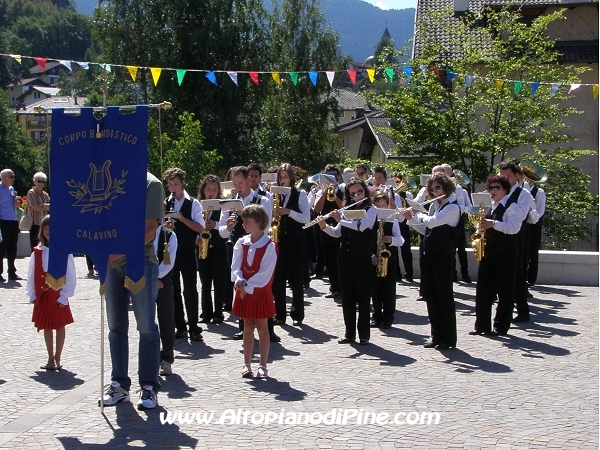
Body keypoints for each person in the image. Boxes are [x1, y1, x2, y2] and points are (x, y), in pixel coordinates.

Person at [100, 171, 164, 410]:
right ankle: (119, 384)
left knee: (146, 326)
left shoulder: (150, 183)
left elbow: (150, 229)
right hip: (110, 263)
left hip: (141, 262)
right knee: (116, 326)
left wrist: (117, 251)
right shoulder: (109, 178)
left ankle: (148, 386)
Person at [218, 166, 279, 342]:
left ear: (249, 181)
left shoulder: (262, 199)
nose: (238, 186)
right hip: (238, 246)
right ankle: (244, 326)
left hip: (259, 246)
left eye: (240, 182)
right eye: (234, 183)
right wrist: (228, 226)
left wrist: (246, 216)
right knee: (240, 283)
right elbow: (222, 231)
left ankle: (268, 327)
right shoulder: (230, 202)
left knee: (263, 285)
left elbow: (267, 226)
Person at [403, 173, 460, 350]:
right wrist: (409, 218)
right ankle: (436, 335)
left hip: (443, 256)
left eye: (438, 188)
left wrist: (418, 212)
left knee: (444, 296)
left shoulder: (452, 207)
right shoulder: (436, 205)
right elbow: (425, 229)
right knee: (431, 297)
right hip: (429, 255)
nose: (435, 191)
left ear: (446, 188)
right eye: (432, 188)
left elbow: (433, 223)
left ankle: (448, 338)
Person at [318, 178, 377, 345]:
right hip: (345, 257)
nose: (357, 196)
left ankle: (364, 335)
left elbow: (361, 226)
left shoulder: (371, 209)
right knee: (348, 296)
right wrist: (323, 226)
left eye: (360, 192)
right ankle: (349, 333)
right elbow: (337, 233)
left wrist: (339, 219)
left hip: (362, 257)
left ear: (365, 191)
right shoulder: (346, 209)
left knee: (363, 296)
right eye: (353, 194)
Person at [469, 175, 523, 336]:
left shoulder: (513, 207)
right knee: (483, 291)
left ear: (505, 190)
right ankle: (482, 326)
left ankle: (500, 326)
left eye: (496, 188)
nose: (492, 191)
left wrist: (493, 224)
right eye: (490, 188)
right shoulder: (489, 207)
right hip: (488, 252)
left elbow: (514, 228)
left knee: (505, 292)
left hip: (505, 254)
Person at [232, 205, 277, 378]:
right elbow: (236, 265)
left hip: (260, 291)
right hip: (244, 290)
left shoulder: (269, 246)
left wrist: (248, 287)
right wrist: (239, 281)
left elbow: (265, 273)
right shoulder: (241, 242)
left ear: (258, 222)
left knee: (263, 327)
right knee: (248, 326)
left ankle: (263, 364)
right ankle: (247, 363)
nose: (243, 224)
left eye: (247, 221)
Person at [25, 215, 76, 370]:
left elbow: (70, 273)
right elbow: (32, 273)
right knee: (46, 326)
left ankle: (58, 357)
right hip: (44, 296)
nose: (47, 232)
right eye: (45, 229)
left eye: (50, 229)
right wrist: (32, 293)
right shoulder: (37, 252)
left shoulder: (63, 250)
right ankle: (50, 358)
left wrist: (65, 296)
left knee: (60, 326)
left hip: (58, 295)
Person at [163, 168, 205, 342]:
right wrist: (167, 225)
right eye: (170, 185)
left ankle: (194, 326)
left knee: (190, 289)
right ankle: (180, 325)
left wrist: (181, 219)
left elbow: (200, 228)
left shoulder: (193, 203)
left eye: (176, 184)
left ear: (183, 183)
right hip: (171, 253)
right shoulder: (166, 202)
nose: (173, 188)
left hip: (187, 251)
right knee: (174, 290)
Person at [499, 161, 539, 323]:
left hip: (517, 236)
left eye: (507, 176)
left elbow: (532, 217)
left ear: (516, 176)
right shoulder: (500, 190)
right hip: (501, 235)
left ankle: (523, 310)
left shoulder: (524, 194)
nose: (504, 179)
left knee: (517, 273)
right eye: (502, 176)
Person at [272, 163, 310, 326]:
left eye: (285, 177)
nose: (282, 180)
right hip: (280, 241)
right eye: (280, 177)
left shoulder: (300, 194)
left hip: (296, 242)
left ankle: (297, 314)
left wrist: (288, 212)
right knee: (278, 280)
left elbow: (306, 218)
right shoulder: (276, 195)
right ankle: (280, 314)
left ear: (291, 178)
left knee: (296, 280)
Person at [197, 175, 228, 324]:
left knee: (219, 282)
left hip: (219, 247)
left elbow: (224, 228)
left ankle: (218, 313)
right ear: (203, 189)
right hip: (203, 247)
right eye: (209, 189)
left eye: (215, 190)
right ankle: (206, 313)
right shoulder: (197, 205)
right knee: (205, 282)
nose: (211, 192)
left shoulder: (222, 206)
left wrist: (214, 224)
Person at [370, 191, 404, 329]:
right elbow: (364, 241)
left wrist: (391, 240)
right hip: (375, 258)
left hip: (389, 257)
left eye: (383, 205)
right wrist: (371, 256)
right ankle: (376, 316)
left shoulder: (393, 220)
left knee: (389, 288)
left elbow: (401, 240)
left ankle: (388, 317)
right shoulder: (370, 220)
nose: (380, 207)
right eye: (378, 205)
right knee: (375, 289)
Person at [312, 164, 343, 298]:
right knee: (329, 258)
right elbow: (317, 209)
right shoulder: (321, 191)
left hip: (341, 227)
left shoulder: (343, 189)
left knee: (340, 259)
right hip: (325, 228)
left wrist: (335, 194)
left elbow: (344, 206)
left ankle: (343, 287)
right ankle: (334, 287)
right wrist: (325, 192)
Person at [154, 222, 178, 376]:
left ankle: (167, 358)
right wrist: (150, 278)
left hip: (164, 281)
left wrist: (155, 276)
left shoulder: (169, 235)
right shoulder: (139, 230)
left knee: (167, 319)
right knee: (147, 323)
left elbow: (168, 263)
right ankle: (151, 357)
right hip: (144, 281)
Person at [0, 168, 22, 282]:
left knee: (13, 247)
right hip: (3, 220)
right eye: (11, 176)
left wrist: (16, 204)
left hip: (13, 220)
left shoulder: (11, 189)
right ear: (4, 178)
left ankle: (12, 272)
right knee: (1, 248)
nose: (13, 178)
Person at [26, 172, 50, 251]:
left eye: (43, 181)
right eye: (39, 181)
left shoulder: (45, 194)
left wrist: (41, 205)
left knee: (45, 246)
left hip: (44, 225)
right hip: (35, 224)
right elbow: (34, 207)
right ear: (35, 181)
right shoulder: (31, 192)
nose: (41, 183)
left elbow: (50, 207)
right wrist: (44, 206)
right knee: (35, 247)